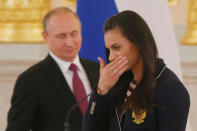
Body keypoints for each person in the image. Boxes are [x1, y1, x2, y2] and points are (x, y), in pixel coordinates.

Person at [83, 10, 190, 131]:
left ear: (138, 43)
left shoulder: (170, 88)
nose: (110, 57)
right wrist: (101, 91)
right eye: (108, 49)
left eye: (116, 47)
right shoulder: (119, 83)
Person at [6, 7, 99, 131]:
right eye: (61, 36)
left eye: (74, 34)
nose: (70, 42)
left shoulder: (98, 70)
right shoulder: (30, 80)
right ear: (45, 36)